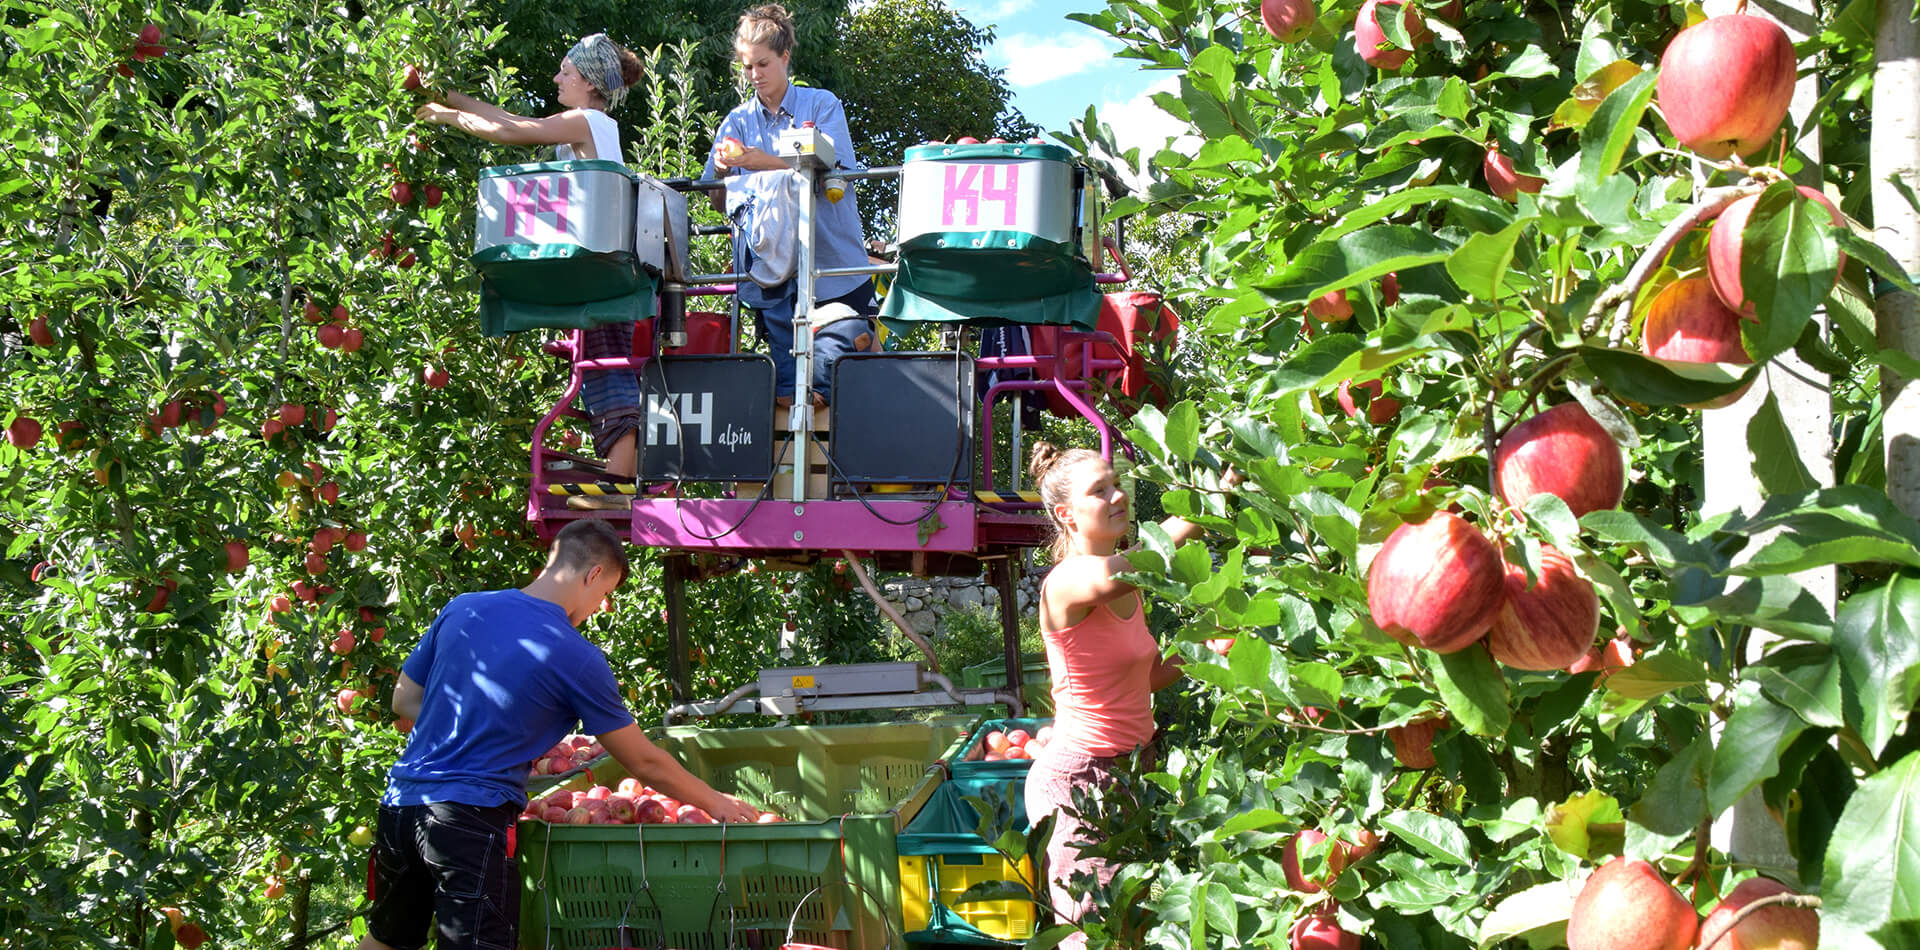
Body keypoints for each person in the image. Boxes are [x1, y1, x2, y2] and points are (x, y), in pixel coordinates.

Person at [360, 519, 757, 950]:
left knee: (387, 940)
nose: (596, 607)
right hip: (467, 819)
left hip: (400, 804)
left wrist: (482, 727)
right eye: (604, 594)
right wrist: (718, 803)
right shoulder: (574, 654)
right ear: (593, 576)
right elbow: (642, 761)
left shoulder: (464, 608)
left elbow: (404, 700)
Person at [1022, 443, 1236, 947]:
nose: (1118, 495)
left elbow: (1141, 681)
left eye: (1117, 483)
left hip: (1128, 771)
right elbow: (1139, 564)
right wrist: (1207, 508)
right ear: (1066, 515)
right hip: (1078, 781)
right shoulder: (1069, 582)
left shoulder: (1126, 586)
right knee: (1093, 935)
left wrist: (1211, 644)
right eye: (1100, 490)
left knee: (1132, 931)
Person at [412, 36, 649, 485]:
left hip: (600, 264)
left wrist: (447, 117)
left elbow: (514, 133)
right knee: (599, 359)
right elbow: (514, 118)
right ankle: (619, 471)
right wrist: (443, 93)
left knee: (606, 363)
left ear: (589, 81)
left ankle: (619, 476)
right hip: (601, 262)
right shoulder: (589, 123)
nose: (557, 78)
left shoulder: (587, 120)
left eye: (566, 71)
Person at [704, 4, 878, 408]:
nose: (754, 75)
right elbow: (717, 201)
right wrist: (718, 168)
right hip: (772, 274)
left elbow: (832, 174)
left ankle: (847, 468)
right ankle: (790, 469)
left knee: (844, 382)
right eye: (747, 67)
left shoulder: (821, 106)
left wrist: (755, 162)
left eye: (762, 63)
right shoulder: (735, 123)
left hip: (834, 266)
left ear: (785, 57)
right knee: (788, 392)